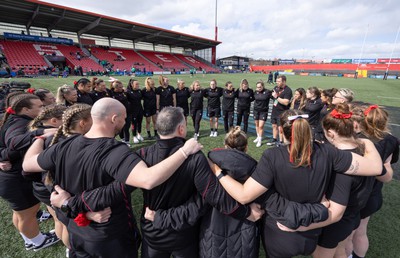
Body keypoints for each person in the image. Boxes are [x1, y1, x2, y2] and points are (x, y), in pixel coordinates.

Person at [22, 97, 202, 258]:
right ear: (114, 118)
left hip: (78, 233)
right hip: (110, 239)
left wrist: (39, 138)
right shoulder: (114, 152)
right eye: (124, 118)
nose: (125, 122)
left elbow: (27, 164)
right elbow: (148, 179)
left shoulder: (65, 144)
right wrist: (184, 151)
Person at [210, 109, 383, 258]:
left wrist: (217, 172)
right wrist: (367, 142)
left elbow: (243, 194)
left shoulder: (272, 156)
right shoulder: (328, 152)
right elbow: (376, 167)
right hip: (312, 232)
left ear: (282, 131)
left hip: (278, 233)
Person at [136, 108, 257, 258]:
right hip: (183, 234)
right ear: (181, 129)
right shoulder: (195, 157)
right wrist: (246, 213)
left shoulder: (142, 155)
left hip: (153, 231)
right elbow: (213, 195)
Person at [312, 104, 376, 258]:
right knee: (340, 251)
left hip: (335, 222)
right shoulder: (366, 148)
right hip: (353, 216)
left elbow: (336, 212)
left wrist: (299, 226)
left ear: (331, 133)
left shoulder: (340, 165)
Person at [0, 94, 59, 252]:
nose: (43, 108)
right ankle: (38, 241)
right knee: (28, 213)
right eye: (39, 106)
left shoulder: (16, 120)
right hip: (15, 179)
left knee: (21, 213)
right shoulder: (20, 124)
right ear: (25, 110)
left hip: (10, 178)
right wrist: (39, 133)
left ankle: (29, 239)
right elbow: (14, 142)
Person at [349, 104, 399, 258]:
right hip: (374, 194)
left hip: (357, 195)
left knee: (347, 236)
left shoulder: (358, 140)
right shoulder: (391, 140)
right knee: (361, 230)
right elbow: (387, 167)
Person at [267, 75, 292, 147]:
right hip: (274, 110)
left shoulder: (288, 90)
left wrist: (276, 97)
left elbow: (286, 102)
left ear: (284, 81)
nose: (277, 82)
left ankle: (281, 141)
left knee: (281, 128)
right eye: (276, 81)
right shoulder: (276, 88)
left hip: (282, 112)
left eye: (279, 81)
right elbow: (273, 97)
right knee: (274, 126)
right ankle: (274, 139)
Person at [110, 80, 131, 146]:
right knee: (119, 127)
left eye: (122, 87)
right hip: (117, 114)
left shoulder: (124, 92)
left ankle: (127, 141)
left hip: (127, 112)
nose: (122, 88)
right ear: (115, 88)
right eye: (120, 87)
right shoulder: (112, 93)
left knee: (126, 127)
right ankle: (122, 138)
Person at [253, 80, 272, 147]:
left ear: (263, 86)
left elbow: (274, 97)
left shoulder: (267, 92)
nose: (258, 88)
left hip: (263, 111)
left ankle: (260, 140)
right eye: (257, 87)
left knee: (261, 126)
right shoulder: (255, 92)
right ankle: (258, 137)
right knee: (257, 125)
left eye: (260, 87)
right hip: (256, 110)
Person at [126, 78, 144, 144]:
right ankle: (134, 136)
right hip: (133, 111)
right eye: (136, 84)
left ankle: (139, 134)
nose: (138, 85)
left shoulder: (139, 91)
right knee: (134, 123)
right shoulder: (128, 92)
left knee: (140, 122)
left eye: (138, 84)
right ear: (132, 85)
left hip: (140, 109)